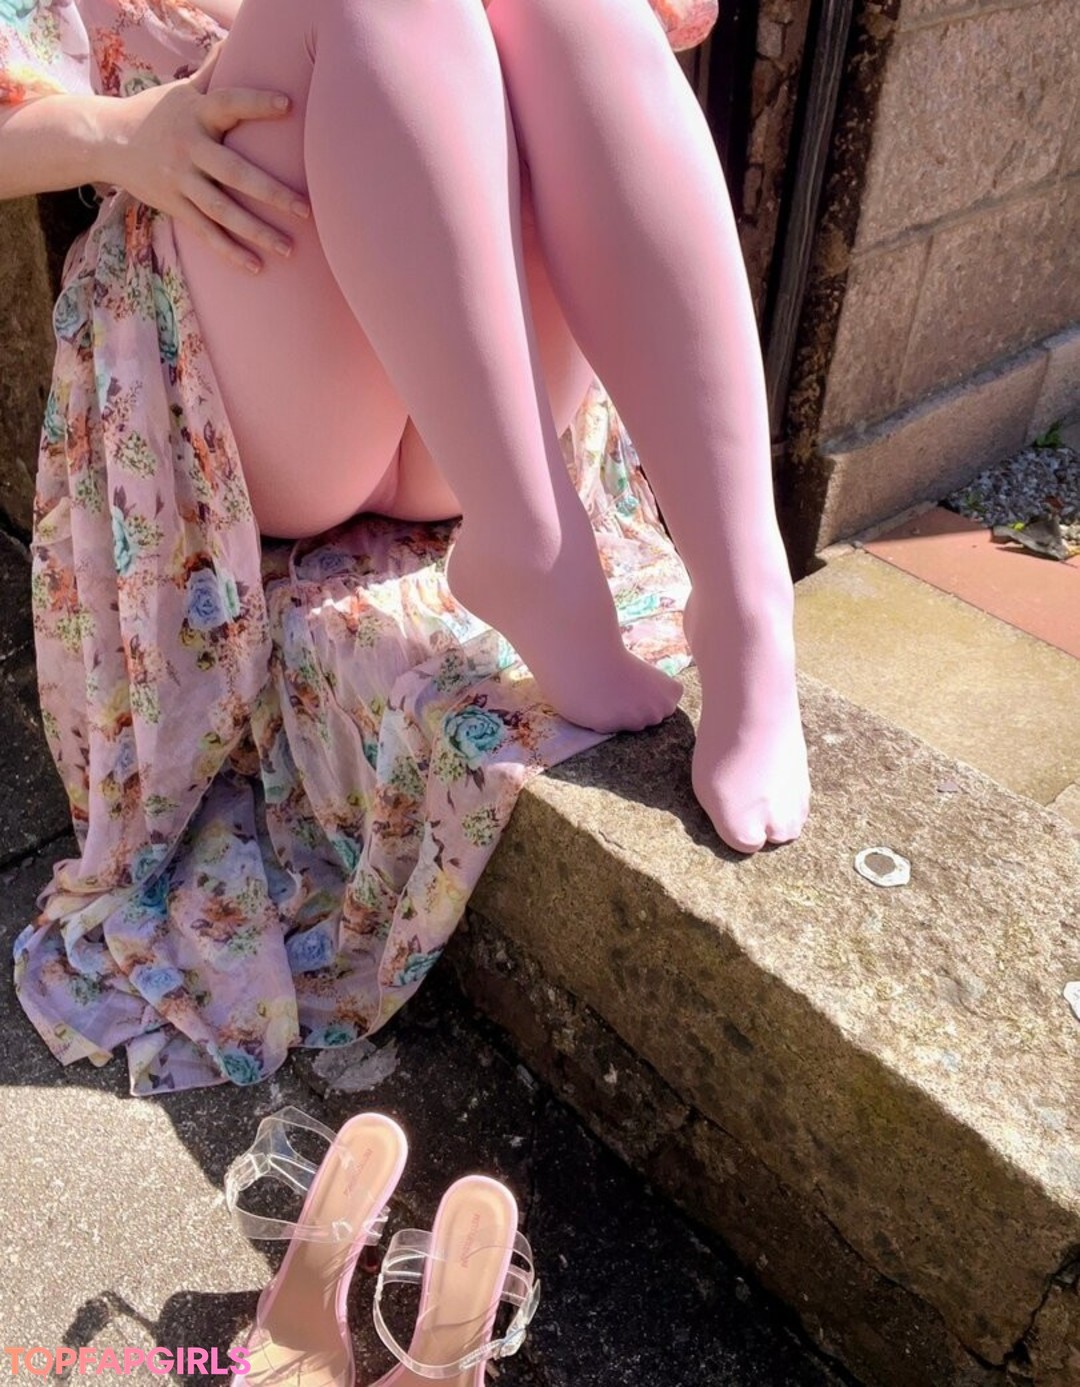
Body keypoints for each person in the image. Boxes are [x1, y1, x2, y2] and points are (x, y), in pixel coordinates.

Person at [1, 0, 809, 858]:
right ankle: (531, 546)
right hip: (259, 353)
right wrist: (118, 134)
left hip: (474, 373)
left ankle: (745, 606)